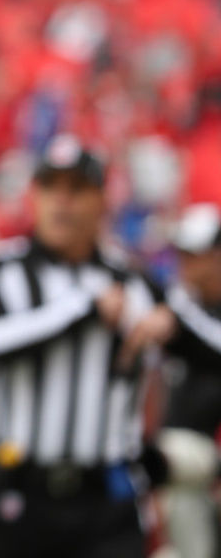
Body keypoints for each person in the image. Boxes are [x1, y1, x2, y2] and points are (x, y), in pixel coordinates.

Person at [0, 134, 173, 558]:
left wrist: (171, 327)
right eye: (50, 187)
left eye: (77, 190)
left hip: (108, 494)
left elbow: (180, 346)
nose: (62, 202)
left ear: (102, 200)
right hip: (22, 490)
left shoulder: (137, 279)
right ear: (33, 196)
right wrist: (86, 308)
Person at [158, 203, 221, 558]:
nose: (185, 263)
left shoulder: (184, 314)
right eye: (181, 253)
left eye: (194, 254)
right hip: (178, 471)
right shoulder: (183, 307)